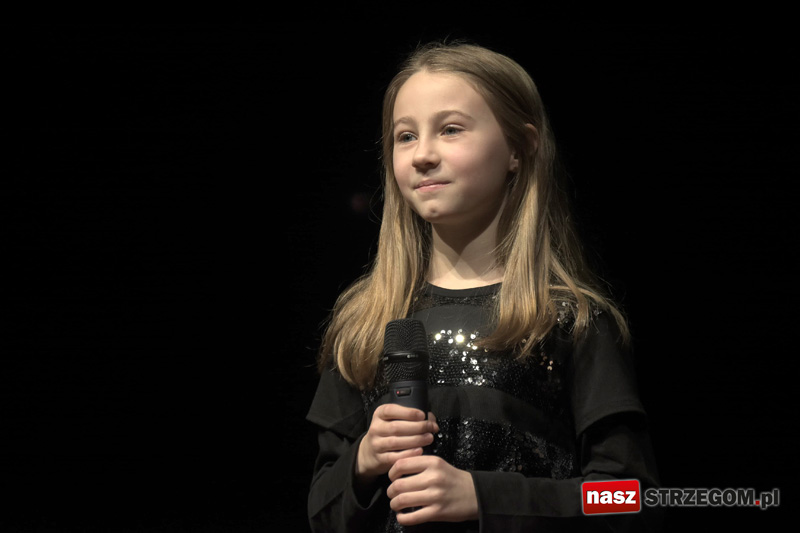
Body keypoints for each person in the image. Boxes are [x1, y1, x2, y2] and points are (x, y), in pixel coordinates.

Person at [306, 41, 661, 532]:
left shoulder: (569, 321)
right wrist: (364, 462)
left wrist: (484, 496)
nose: (423, 155)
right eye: (405, 136)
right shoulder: (366, 324)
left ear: (519, 147)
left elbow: (628, 498)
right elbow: (321, 513)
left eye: (450, 129)